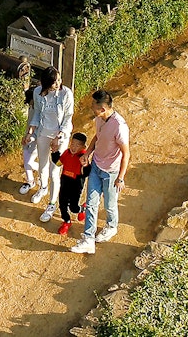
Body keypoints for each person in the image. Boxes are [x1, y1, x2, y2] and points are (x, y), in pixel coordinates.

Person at [71, 90, 130, 255]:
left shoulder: (119, 127)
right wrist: (88, 153)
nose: (91, 108)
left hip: (111, 172)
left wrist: (121, 178)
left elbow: (126, 154)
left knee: (109, 204)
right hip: (96, 167)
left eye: (94, 106)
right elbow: (97, 137)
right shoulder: (100, 118)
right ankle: (88, 239)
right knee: (91, 203)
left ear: (103, 109)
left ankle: (111, 226)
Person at [19, 66, 74, 223]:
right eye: (55, 82)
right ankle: (43, 188)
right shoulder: (37, 93)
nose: (58, 83)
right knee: (42, 165)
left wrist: (59, 137)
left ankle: (51, 204)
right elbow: (36, 113)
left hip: (60, 139)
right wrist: (30, 132)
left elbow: (68, 117)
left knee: (54, 171)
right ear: (46, 83)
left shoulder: (66, 94)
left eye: (59, 79)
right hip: (43, 134)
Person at [52, 132, 90, 236]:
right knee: (62, 205)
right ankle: (66, 221)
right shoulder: (67, 153)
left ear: (83, 146)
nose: (74, 147)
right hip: (64, 183)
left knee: (74, 208)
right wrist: (54, 151)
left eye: (77, 145)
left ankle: (82, 208)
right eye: (72, 144)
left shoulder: (83, 157)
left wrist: (85, 165)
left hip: (76, 186)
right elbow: (58, 163)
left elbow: (86, 173)